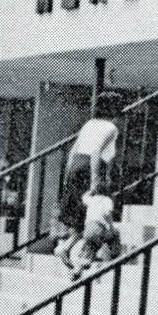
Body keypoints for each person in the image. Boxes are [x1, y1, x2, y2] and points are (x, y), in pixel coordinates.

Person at [53, 91, 121, 269]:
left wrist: (68, 175)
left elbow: (73, 150)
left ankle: (66, 247)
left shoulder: (90, 124)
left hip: (76, 167)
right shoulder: (111, 128)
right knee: (94, 213)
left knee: (80, 214)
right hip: (89, 169)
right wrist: (94, 180)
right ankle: (85, 254)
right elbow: (96, 152)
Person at [70, 183, 122, 280]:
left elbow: (84, 196)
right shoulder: (107, 200)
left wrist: (92, 190)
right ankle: (112, 258)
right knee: (115, 234)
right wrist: (111, 228)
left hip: (87, 231)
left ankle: (77, 270)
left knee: (91, 249)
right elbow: (108, 215)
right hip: (98, 229)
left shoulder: (91, 199)